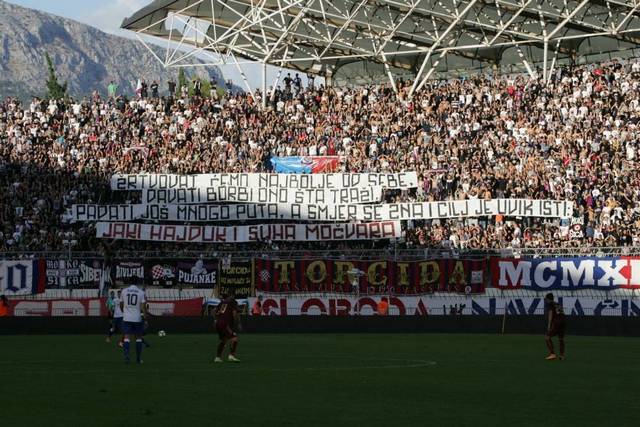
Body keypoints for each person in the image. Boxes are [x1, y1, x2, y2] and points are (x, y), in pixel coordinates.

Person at [120, 281, 147, 364]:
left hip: (127, 317)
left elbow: (121, 304)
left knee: (126, 337)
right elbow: (143, 307)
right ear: (137, 283)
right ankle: (138, 359)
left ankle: (127, 357)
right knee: (138, 338)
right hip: (137, 318)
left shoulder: (124, 291)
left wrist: (124, 312)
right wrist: (145, 318)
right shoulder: (141, 292)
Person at [214, 294, 241, 363]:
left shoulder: (222, 302)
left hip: (218, 323)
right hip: (225, 323)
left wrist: (216, 320)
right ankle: (231, 356)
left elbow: (214, 311)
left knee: (224, 340)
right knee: (234, 338)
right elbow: (235, 313)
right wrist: (237, 323)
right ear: (232, 296)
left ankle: (217, 358)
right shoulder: (233, 302)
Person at [544, 293, 566, 361]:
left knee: (547, 337)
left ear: (548, 299)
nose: (545, 301)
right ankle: (561, 356)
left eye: (546, 299)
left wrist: (549, 325)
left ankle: (552, 354)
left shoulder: (550, 304)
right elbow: (562, 312)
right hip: (563, 322)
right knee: (561, 339)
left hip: (557, 323)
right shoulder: (558, 304)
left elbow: (550, 314)